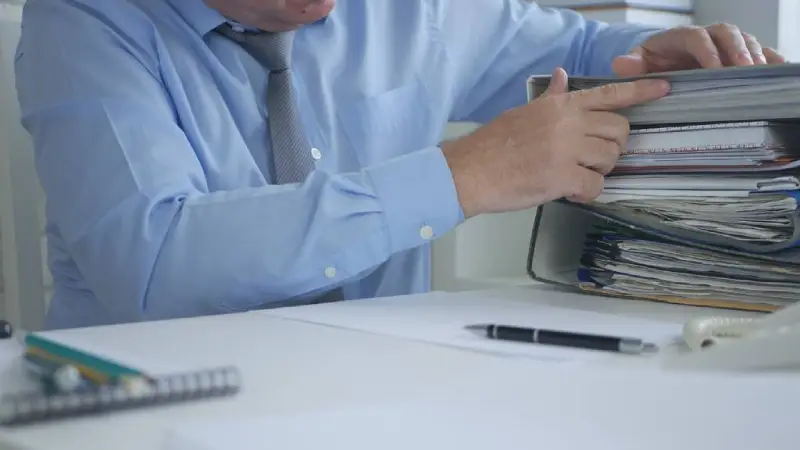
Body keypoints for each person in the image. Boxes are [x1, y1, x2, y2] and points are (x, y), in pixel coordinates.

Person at [14, 0, 784, 330]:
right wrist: (463, 176)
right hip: (159, 412)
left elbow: (578, 54)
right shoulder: (83, 22)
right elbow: (153, 261)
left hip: (389, 397)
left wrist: (657, 61)